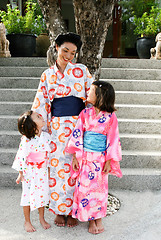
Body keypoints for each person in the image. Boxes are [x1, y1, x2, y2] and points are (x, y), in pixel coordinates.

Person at [31, 32, 93, 227]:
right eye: (65, 50)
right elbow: (41, 103)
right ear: (56, 47)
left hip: (78, 125)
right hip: (56, 127)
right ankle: (59, 209)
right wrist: (40, 128)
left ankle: (74, 210)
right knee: (57, 168)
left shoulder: (82, 71)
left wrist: (91, 124)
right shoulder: (47, 74)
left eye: (73, 53)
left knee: (77, 169)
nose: (68, 55)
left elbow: (92, 97)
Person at [65, 81, 122, 234]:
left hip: (101, 158)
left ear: (100, 96)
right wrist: (76, 157)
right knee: (86, 189)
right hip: (85, 157)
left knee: (100, 189)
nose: (87, 92)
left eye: (91, 91)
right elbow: (78, 134)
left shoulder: (111, 117)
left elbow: (113, 138)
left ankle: (99, 218)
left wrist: (110, 160)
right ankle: (91, 219)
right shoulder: (85, 114)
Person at [12, 110, 51, 232]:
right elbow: (21, 156)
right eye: (38, 117)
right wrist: (20, 173)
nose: (42, 117)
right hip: (29, 172)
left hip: (42, 171)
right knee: (27, 197)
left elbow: (48, 154)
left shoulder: (46, 137)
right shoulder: (26, 140)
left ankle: (41, 218)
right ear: (32, 125)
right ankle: (27, 221)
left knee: (42, 194)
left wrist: (48, 169)